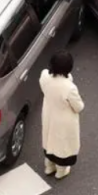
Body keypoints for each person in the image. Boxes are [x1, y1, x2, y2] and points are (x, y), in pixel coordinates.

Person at [39, 50, 85, 179]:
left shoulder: (44, 77)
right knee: (62, 146)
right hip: (64, 121)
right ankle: (61, 171)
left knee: (49, 140)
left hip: (49, 114)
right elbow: (79, 107)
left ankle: (49, 166)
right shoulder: (70, 88)